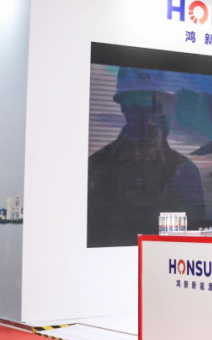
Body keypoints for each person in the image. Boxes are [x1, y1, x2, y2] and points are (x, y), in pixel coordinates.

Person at [88, 67, 205, 248]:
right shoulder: (97, 170)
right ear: (126, 109)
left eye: (157, 109)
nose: (151, 121)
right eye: (144, 109)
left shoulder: (186, 173)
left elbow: (198, 244)